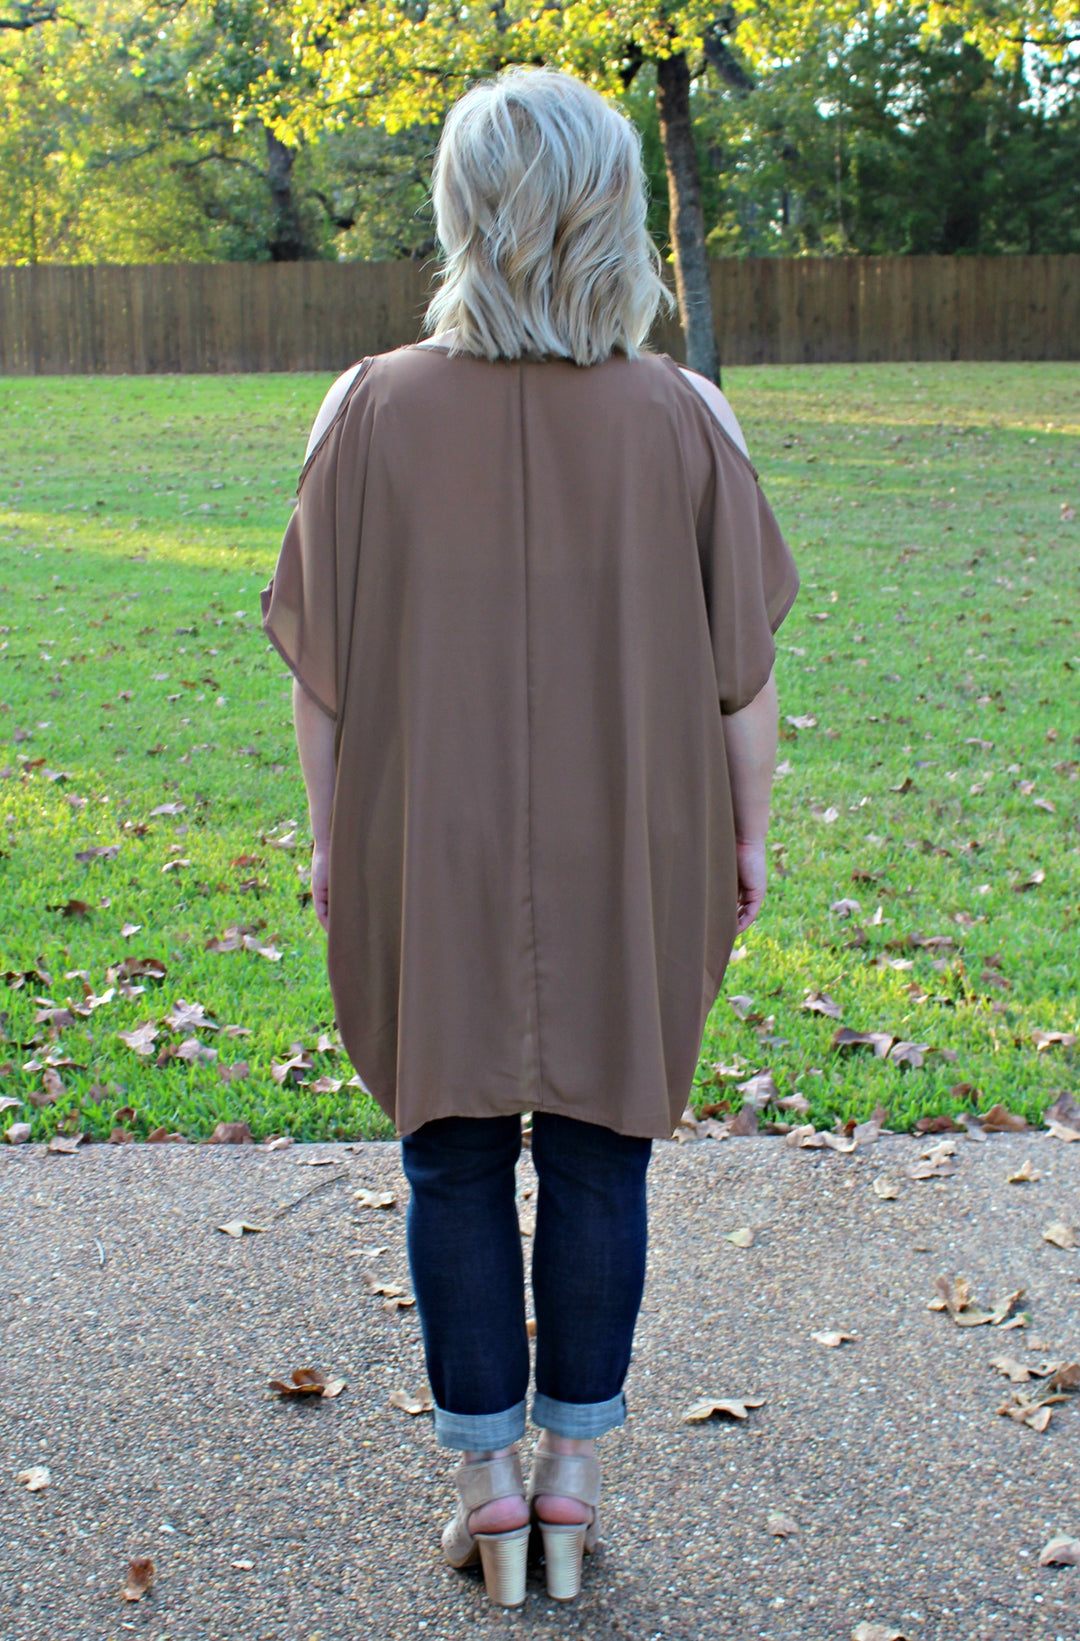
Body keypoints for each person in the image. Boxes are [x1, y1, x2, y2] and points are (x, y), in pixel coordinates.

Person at [260, 63, 800, 1610]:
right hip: (629, 843)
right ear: (614, 213)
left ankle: (491, 1490)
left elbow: (324, 681)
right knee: (597, 1150)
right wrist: (750, 839)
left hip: (427, 838)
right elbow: (741, 680)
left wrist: (327, 837)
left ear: (464, 213)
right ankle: (572, 1475)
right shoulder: (689, 414)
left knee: (447, 1155)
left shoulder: (363, 408)